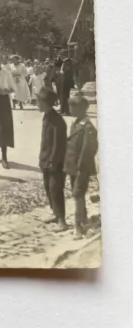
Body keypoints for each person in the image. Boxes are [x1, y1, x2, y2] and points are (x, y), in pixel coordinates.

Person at [64, 95, 98, 239]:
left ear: (81, 109)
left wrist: (80, 168)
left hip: (81, 168)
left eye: (72, 107)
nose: (70, 109)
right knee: (77, 193)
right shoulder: (75, 123)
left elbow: (88, 150)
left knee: (78, 194)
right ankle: (83, 220)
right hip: (72, 166)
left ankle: (78, 226)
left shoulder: (88, 127)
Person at [37, 87, 68, 232]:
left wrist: (52, 161)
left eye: (39, 101)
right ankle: (55, 214)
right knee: (48, 188)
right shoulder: (47, 116)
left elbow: (58, 144)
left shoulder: (57, 120)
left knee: (56, 189)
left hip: (55, 162)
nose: (37, 104)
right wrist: (43, 159)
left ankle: (62, 221)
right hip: (46, 160)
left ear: (47, 103)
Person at [54, 49, 76, 115]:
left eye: (60, 56)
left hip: (66, 82)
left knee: (65, 97)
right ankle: (63, 110)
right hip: (64, 82)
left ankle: (66, 111)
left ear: (62, 56)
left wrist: (60, 73)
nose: (60, 57)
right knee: (63, 96)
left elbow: (65, 71)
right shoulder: (65, 62)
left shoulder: (68, 62)